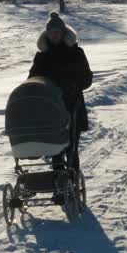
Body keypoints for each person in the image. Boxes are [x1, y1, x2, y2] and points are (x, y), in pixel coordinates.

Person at [29, 11, 92, 170]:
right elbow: (32, 79)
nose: (54, 35)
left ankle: (73, 180)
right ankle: (60, 187)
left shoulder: (76, 53)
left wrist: (74, 85)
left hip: (72, 104)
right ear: (47, 34)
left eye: (57, 32)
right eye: (51, 32)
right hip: (51, 107)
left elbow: (87, 77)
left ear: (63, 32)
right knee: (55, 149)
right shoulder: (42, 56)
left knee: (71, 148)